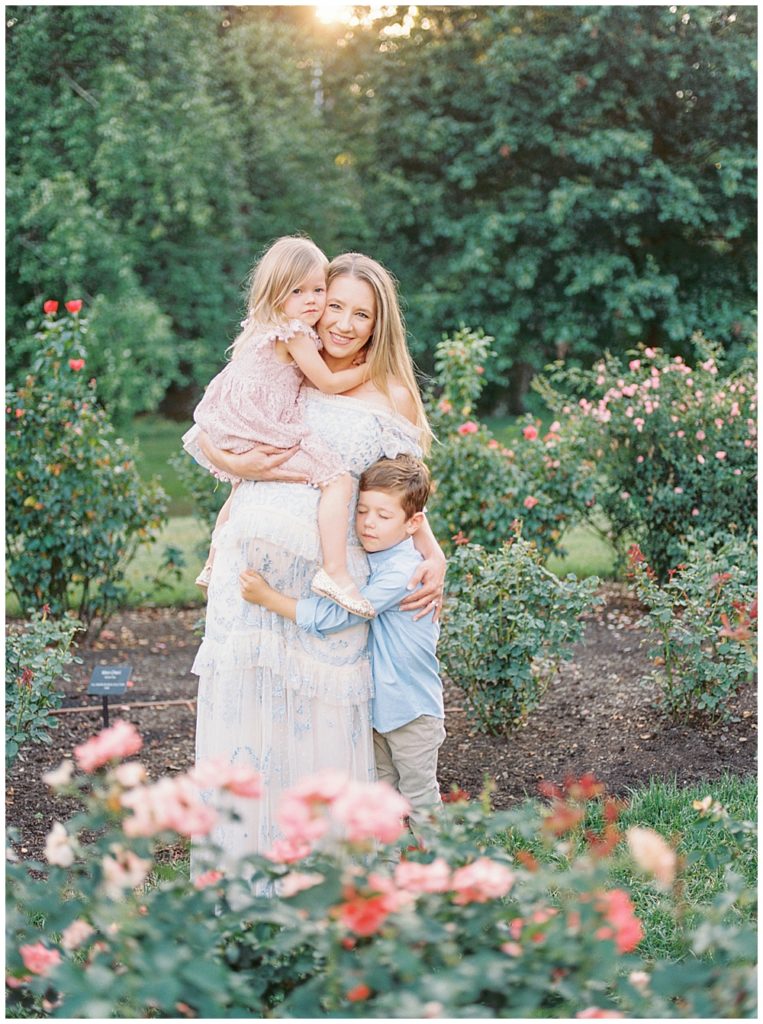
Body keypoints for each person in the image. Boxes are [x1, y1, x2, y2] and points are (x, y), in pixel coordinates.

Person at [189, 252, 446, 884]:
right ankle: (244, 867)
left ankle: (320, 875)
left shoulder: (389, 392)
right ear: (314, 302)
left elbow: (400, 488)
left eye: (363, 313)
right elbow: (227, 442)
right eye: (336, 305)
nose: (346, 323)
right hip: (250, 578)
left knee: (322, 721)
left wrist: (431, 551)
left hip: (326, 585)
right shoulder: (287, 365)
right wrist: (241, 494)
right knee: (252, 716)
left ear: (379, 323)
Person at [239, 454, 445, 832]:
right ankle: (386, 873)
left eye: (384, 516)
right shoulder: (380, 561)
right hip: (382, 708)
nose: (368, 523)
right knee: (381, 796)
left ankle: (452, 877)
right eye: (362, 510)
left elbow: (342, 615)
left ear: (413, 523)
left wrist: (270, 599)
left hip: (413, 710)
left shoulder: (403, 573)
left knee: (420, 798)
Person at [182, 235, 375, 617]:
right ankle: (335, 571)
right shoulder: (296, 333)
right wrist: (374, 366)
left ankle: (213, 557)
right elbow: (328, 382)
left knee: (240, 487)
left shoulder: (261, 325)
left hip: (234, 423)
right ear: (275, 293)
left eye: (319, 289)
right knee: (335, 478)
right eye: (298, 291)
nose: (312, 300)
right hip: (265, 427)